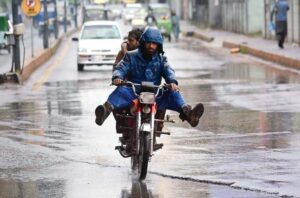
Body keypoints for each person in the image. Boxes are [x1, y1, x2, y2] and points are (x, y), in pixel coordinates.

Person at [95, 27, 204, 127]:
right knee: (120, 90)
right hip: (133, 93)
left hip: (155, 95)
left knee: (174, 92)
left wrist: (172, 82)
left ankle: (189, 114)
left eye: (154, 43)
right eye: (149, 43)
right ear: (143, 42)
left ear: (158, 45)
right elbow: (120, 68)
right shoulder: (130, 56)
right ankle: (104, 112)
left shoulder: (162, 59)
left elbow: (168, 70)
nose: (151, 46)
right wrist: (117, 77)